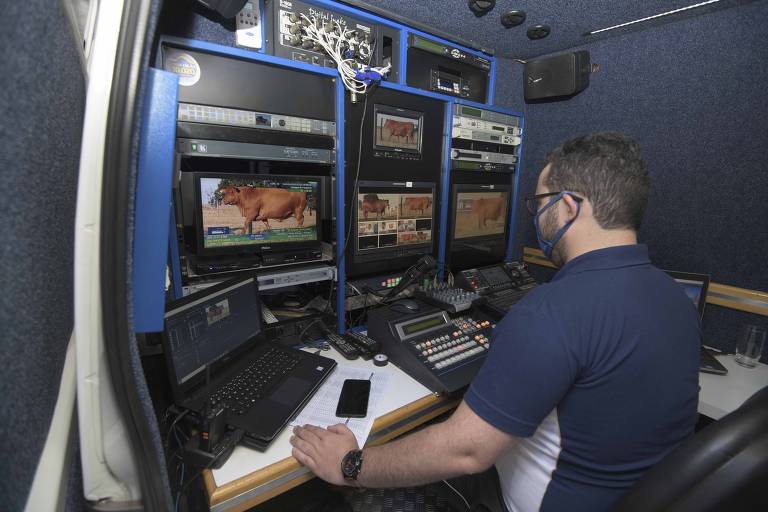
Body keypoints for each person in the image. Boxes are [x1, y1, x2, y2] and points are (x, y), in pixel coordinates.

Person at [290, 133, 701, 511]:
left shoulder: (550, 312)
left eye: (540, 204)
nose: (537, 216)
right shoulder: (674, 298)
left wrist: (349, 464)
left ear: (570, 207)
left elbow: (465, 452)